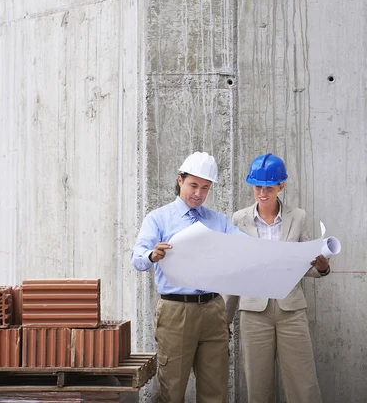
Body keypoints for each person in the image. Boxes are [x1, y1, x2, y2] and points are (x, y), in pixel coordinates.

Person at [131, 151, 247, 403]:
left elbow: (248, 247)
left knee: (215, 390)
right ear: (180, 180)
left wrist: (290, 256)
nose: (198, 193)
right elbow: (137, 258)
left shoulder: (219, 222)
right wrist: (152, 254)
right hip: (176, 311)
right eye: (193, 185)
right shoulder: (158, 219)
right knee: (172, 389)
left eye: (205, 188)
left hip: (214, 309)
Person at [225, 153, 330, 403]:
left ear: (280, 186)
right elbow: (234, 271)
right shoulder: (239, 220)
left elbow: (307, 264)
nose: (262, 193)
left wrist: (322, 267)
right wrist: (224, 318)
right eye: (258, 186)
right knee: (258, 385)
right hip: (253, 312)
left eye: (269, 187)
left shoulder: (298, 217)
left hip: (291, 310)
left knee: (303, 382)